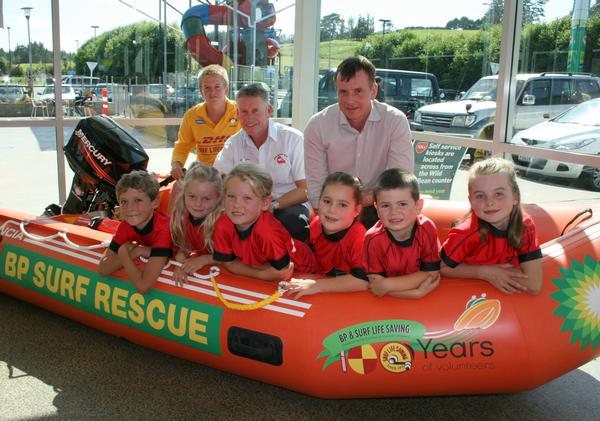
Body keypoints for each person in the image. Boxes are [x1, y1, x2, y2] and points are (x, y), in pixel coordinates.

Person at [304, 56, 414, 228]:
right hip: (335, 207)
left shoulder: (395, 121)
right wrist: (330, 220)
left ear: (373, 91)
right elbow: (316, 185)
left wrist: (363, 200)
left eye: (358, 91)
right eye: (343, 92)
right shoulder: (317, 125)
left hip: (380, 205)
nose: (350, 101)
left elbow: (399, 180)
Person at [214, 83, 310, 241]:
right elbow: (218, 181)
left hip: (284, 204)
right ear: (237, 114)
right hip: (245, 205)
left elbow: (306, 189)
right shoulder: (233, 143)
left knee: (295, 223)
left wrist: (272, 206)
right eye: (244, 112)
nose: (249, 118)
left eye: (255, 111)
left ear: (269, 111)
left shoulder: (293, 139)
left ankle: (287, 264)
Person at [440, 157, 543, 295]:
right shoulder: (465, 232)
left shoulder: (524, 225)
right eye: (480, 196)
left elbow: (533, 285)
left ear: (515, 197)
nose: (489, 202)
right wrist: (485, 272)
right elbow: (440, 267)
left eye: (499, 194)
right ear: (471, 200)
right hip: (464, 294)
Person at [212, 163, 318, 282]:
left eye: (247, 198)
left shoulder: (267, 232)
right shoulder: (223, 223)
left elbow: (282, 273)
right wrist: (261, 274)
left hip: (303, 268)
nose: (237, 205)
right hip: (262, 267)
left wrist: (257, 271)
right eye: (231, 196)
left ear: (265, 203)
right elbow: (229, 264)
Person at [284, 172, 368, 299]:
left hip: (344, 293)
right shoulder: (316, 224)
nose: (332, 210)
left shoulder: (359, 237)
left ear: (356, 210)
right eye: (327, 201)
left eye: (342, 204)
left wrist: (316, 285)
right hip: (319, 275)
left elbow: (363, 281)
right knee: (282, 241)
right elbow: (309, 257)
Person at [364, 168, 441, 299]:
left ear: (418, 206)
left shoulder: (426, 228)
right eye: (385, 206)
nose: (394, 212)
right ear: (377, 209)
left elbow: (432, 273)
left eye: (402, 204)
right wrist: (415, 293)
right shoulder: (373, 239)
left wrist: (389, 285)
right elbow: (376, 286)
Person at [98, 170, 172, 294]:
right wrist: (135, 253)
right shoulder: (125, 226)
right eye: (124, 202)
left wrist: (127, 254)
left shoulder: (164, 228)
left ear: (155, 202)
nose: (130, 208)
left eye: (138, 200)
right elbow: (102, 269)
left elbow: (143, 287)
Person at [171, 64, 241, 178]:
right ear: (201, 90)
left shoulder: (240, 111)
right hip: (205, 176)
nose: (212, 92)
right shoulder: (192, 115)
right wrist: (176, 165)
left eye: (217, 87)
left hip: (235, 174)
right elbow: (182, 146)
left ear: (226, 88)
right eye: (207, 88)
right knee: (177, 188)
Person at [170, 162, 223, 286]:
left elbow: (233, 256)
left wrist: (204, 260)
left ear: (219, 198)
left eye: (206, 199)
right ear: (184, 195)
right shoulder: (183, 217)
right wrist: (180, 264)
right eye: (192, 197)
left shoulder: (222, 222)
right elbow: (184, 248)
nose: (198, 204)